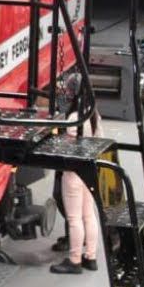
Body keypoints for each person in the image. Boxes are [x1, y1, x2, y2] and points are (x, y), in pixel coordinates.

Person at [50, 110, 104, 274]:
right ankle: (91, 257)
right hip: (90, 171)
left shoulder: (74, 118)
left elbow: (66, 146)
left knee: (74, 218)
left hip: (73, 173)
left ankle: (75, 261)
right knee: (89, 215)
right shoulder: (94, 115)